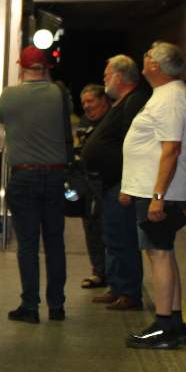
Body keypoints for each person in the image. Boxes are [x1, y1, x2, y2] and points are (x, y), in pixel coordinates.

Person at [121, 41, 186, 349]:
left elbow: (171, 148)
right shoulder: (168, 95)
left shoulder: (171, 98)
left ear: (157, 66)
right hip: (154, 188)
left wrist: (157, 196)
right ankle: (175, 323)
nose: (144, 59)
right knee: (163, 251)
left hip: (160, 191)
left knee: (159, 254)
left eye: (148, 56)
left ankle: (164, 325)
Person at [0, 45, 71, 323]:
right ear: (47, 67)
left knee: (27, 244)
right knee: (54, 243)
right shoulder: (59, 94)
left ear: (20, 67)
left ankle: (30, 306)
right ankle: (57, 306)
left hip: (23, 177)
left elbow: (1, 116)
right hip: (55, 176)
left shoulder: (10, 96)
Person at [83, 55, 152, 311]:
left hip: (120, 184)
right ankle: (117, 286)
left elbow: (133, 144)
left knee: (123, 238)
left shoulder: (134, 101)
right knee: (111, 235)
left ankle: (130, 293)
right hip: (108, 183)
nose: (104, 79)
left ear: (120, 77)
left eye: (107, 74)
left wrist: (127, 183)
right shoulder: (122, 101)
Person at [76, 83, 110, 290]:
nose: (87, 106)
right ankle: (99, 272)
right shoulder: (84, 122)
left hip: (107, 184)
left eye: (91, 101)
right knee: (91, 227)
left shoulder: (111, 122)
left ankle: (116, 276)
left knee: (109, 229)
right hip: (87, 184)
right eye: (84, 103)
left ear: (103, 101)